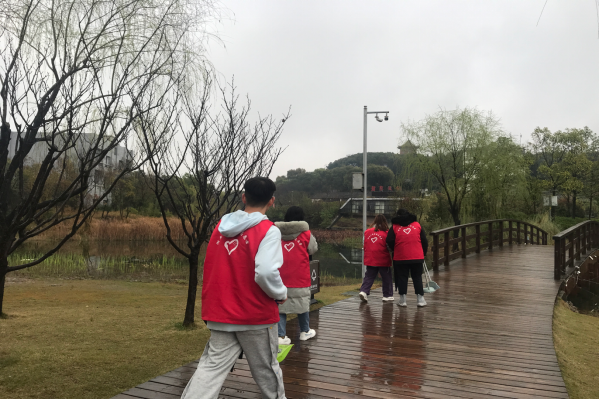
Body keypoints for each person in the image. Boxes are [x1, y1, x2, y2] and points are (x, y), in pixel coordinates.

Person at [181, 177, 287, 399]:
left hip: (220, 311)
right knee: (266, 369)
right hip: (255, 315)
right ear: (272, 201)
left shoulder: (220, 227)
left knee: (211, 368)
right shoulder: (269, 230)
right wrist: (280, 293)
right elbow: (265, 272)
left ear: (243, 197)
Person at [274, 206, 318, 344]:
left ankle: (281, 336)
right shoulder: (306, 234)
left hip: (279, 276)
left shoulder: (275, 233)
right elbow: (313, 249)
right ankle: (305, 331)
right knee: (302, 303)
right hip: (300, 276)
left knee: (280, 306)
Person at [386, 209, 429, 307]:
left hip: (400, 257)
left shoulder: (395, 227)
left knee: (402, 277)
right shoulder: (417, 225)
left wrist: (395, 248)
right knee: (417, 277)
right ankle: (420, 300)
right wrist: (423, 253)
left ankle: (403, 300)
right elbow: (424, 240)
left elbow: (389, 240)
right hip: (417, 256)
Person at [359, 214, 393, 302]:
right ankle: (387, 295)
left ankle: (364, 291)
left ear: (374, 221)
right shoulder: (387, 232)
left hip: (370, 258)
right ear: (385, 222)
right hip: (383, 258)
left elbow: (364, 243)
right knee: (386, 277)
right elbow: (390, 246)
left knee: (369, 276)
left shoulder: (367, 232)